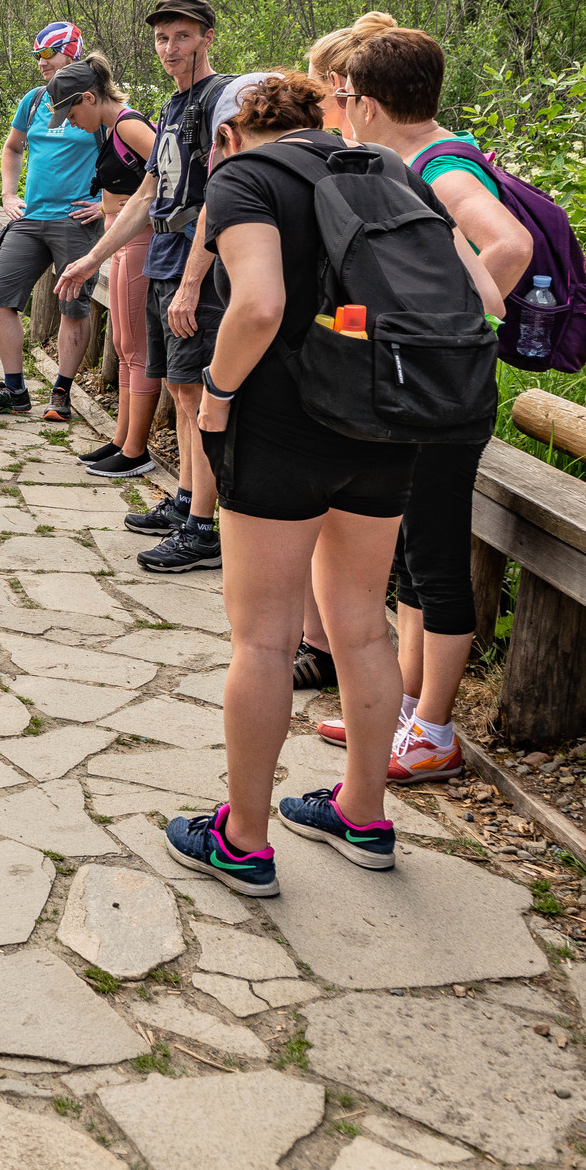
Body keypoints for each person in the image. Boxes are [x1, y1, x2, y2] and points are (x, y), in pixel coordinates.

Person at [162, 73, 453, 897]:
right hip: (384, 420)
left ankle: (242, 839)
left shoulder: (242, 179)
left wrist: (216, 396)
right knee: (361, 626)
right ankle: (363, 813)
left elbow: (258, 306)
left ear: (229, 134)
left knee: (262, 637)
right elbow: (471, 288)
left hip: (283, 427)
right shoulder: (383, 171)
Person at [314, 26, 533, 784]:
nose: (339, 109)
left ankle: (435, 727)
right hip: (416, 389)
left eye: (342, 97)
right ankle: (403, 707)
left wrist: (437, 321)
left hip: (441, 391)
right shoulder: (410, 160)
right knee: (409, 551)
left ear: (366, 103)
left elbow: (507, 245)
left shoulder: (439, 166)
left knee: (436, 557)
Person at [57, 0, 229, 575]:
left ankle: (204, 528)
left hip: (194, 264)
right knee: (181, 390)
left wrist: (190, 283)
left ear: (206, 37)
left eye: (182, 37)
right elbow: (150, 192)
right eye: (161, 39)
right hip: (163, 253)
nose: (170, 48)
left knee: (196, 393)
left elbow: (217, 196)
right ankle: (186, 500)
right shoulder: (174, 105)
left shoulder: (214, 103)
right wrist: (92, 260)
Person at [282, 13, 394, 692]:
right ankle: (318, 639)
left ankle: (321, 644)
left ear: (341, 87)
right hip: (368, 357)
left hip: (349, 359)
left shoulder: (363, 161)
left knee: (318, 523)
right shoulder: (364, 157)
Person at [0, 23, 101, 420]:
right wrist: (8, 194)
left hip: (77, 221)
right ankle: (14, 390)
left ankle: (61, 392)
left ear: (70, 54)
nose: (41, 63)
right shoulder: (35, 99)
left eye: (48, 55)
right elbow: (12, 147)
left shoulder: (95, 103)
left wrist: (107, 206)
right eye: (37, 55)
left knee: (72, 307)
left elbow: (134, 163)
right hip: (32, 215)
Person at [71, 68, 160, 479]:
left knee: (136, 348)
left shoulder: (129, 125)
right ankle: (123, 438)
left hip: (141, 239)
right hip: (122, 242)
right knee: (124, 344)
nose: (71, 123)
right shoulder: (113, 130)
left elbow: (170, 171)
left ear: (88, 98)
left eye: (70, 113)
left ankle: (136, 450)